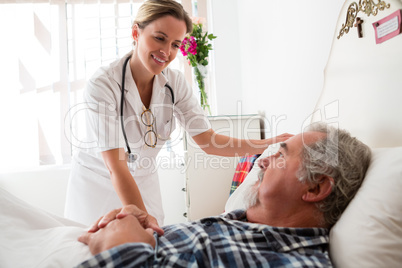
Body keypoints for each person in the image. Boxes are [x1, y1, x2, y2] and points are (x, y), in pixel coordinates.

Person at [64, 0, 292, 227]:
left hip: (143, 182)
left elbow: (208, 141)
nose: (166, 52)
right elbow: (116, 165)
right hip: (98, 182)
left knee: (149, 248)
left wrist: (268, 143)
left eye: (175, 44)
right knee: (94, 250)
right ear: (136, 32)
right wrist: (143, 220)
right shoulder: (103, 84)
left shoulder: (174, 84)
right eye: (159, 38)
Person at [76, 123, 372, 267]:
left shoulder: (289, 262)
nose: (261, 160)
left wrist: (119, 237)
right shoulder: (238, 223)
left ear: (315, 187)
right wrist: (133, 223)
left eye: (281, 155)